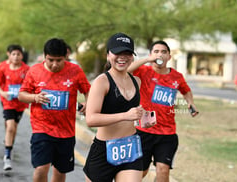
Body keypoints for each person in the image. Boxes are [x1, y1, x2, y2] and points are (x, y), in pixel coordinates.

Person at [18, 38, 90, 182]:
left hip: (66, 131)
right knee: (40, 169)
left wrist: (88, 103)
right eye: (50, 60)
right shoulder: (34, 71)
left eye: (59, 60)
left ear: (66, 56)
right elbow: (21, 95)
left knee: (59, 172)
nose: (55, 64)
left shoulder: (75, 71)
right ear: (44, 55)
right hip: (42, 129)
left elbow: (89, 91)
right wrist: (35, 98)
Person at [128, 40, 199, 182]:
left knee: (163, 170)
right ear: (151, 55)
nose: (159, 54)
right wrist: (147, 60)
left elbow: (186, 91)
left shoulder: (177, 77)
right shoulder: (143, 71)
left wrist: (191, 103)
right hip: (144, 131)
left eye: (163, 52)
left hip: (167, 133)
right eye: (156, 51)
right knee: (141, 172)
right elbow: (126, 70)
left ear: (169, 57)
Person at [83, 33, 144, 182]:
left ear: (132, 56)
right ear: (108, 55)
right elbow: (91, 119)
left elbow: (131, 114)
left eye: (127, 53)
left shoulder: (136, 81)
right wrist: (125, 115)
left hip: (130, 148)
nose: (122, 57)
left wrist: (142, 117)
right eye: (117, 53)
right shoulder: (101, 82)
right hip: (104, 150)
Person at [0, 44, 30, 171]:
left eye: (18, 54)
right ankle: (7, 156)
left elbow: (30, 85)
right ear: (9, 54)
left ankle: (9, 144)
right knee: (10, 127)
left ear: (22, 55)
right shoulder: (3, 67)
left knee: (13, 127)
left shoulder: (26, 69)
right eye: (13, 54)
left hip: (20, 103)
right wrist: (2, 93)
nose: (16, 57)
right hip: (7, 101)